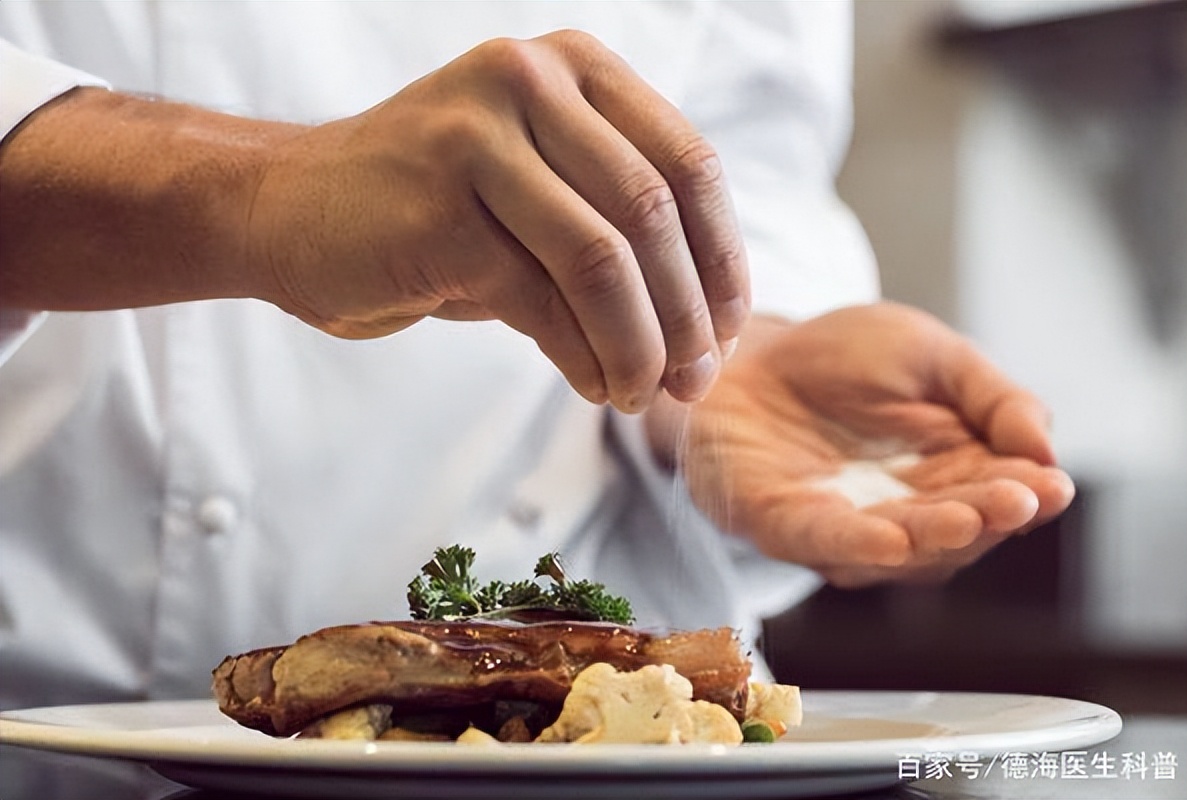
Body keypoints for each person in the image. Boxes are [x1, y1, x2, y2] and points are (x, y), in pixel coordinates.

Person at [0, 1, 1073, 717]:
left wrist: (721, 354)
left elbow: (748, 152)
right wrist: (268, 192)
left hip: (601, 740)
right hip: (40, 709)